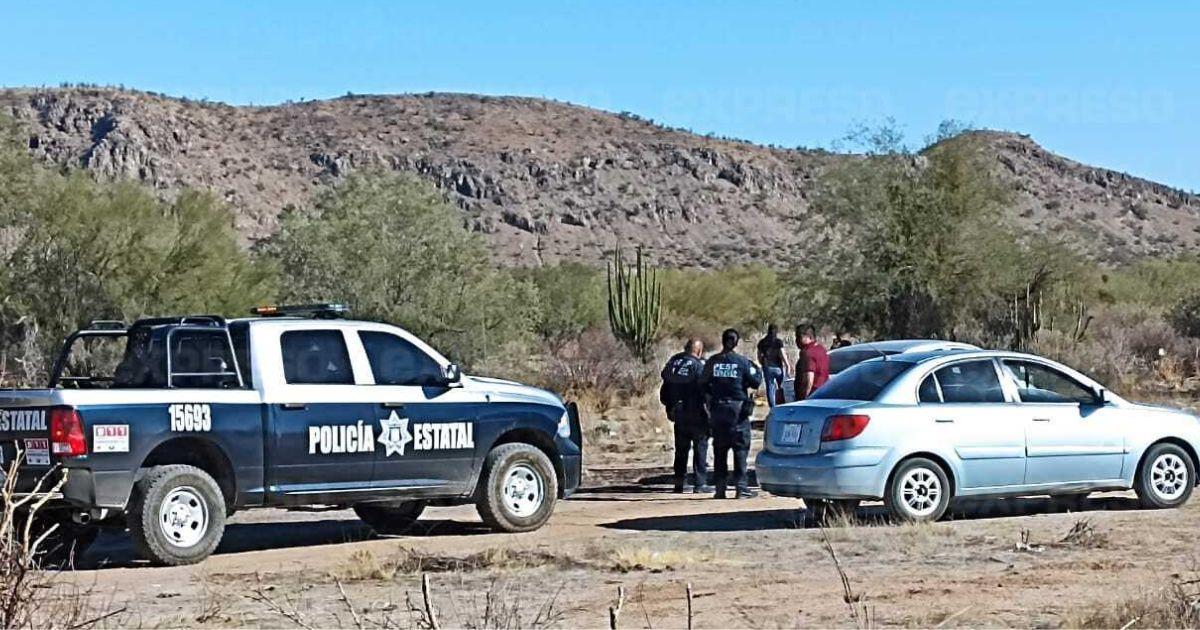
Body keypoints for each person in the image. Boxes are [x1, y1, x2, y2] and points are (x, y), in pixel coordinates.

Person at [702, 328, 762, 499]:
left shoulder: (713, 362)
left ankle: (720, 489)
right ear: (736, 343)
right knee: (740, 449)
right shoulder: (742, 362)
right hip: (738, 410)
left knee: (720, 449)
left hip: (718, 409)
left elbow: (703, 383)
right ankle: (741, 488)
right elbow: (756, 381)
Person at [659, 339, 712, 494]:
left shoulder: (674, 364)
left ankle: (679, 484)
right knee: (700, 447)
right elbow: (706, 391)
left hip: (678, 413)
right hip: (696, 413)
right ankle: (700, 484)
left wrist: (670, 407)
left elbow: (664, 392)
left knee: (681, 450)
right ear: (699, 351)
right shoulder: (698, 367)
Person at [756, 324, 791, 407]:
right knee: (781, 387)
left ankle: (773, 407)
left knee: (770, 388)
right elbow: (782, 354)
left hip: (767, 367)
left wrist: (762, 364)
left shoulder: (762, 342)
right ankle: (782, 405)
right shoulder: (778, 342)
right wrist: (787, 365)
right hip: (778, 367)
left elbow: (759, 355)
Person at [794, 324, 830, 401]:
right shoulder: (821, 349)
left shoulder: (807, 353)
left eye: (799, 337)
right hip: (824, 394)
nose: (796, 341)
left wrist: (804, 399)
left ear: (809, 337)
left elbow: (809, 379)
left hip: (811, 396)